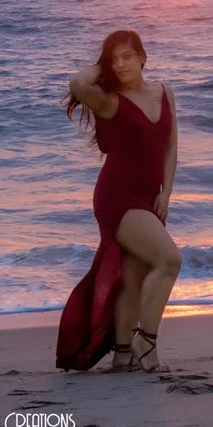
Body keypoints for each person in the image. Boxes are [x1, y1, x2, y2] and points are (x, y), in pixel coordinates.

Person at [56, 29, 182, 373]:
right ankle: (147, 341)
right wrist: (103, 65)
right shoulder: (109, 100)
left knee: (132, 275)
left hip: (149, 195)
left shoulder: (165, 94)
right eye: (114, 59)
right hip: (117, 197)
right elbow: (76, 84)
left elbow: (170, 147)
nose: (121, 64)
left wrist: (166, 192)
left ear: (143, 57)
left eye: (128, 56)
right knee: (169, 260)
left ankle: (124, 352)